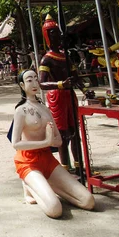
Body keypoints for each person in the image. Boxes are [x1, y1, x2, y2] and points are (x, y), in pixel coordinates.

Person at [12, 70, 95, 218]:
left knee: (88, 201)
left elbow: (58, 141)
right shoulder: (20, 110)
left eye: (36, 79)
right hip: (28, 162)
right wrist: (46, 142)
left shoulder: (45, 108)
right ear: (22, 85)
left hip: (48, 159)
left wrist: (51, 141)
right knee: (55, 209)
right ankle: (29, 184)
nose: (34, 83)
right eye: (29, 80)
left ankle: (47, 185)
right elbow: (16, 144)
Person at [38, 15, 83, 169]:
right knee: (62, 133)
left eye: (57, 32)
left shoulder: (66, 56)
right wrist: (60, 84)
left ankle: (79, 164)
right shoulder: (46, 59)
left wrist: (85, 90)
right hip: (57, 96)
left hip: (70, 95)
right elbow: (42, 83)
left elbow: (76, 77)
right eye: (53, 33)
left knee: (75, 131)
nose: (57, 35)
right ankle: (65, 166)